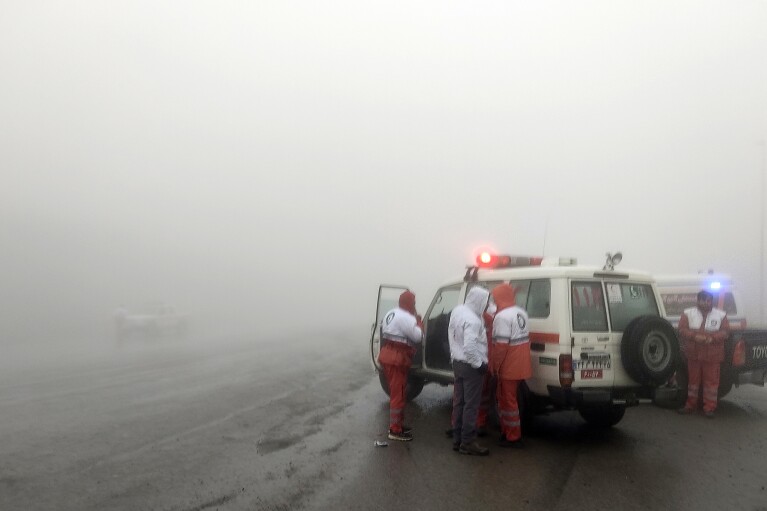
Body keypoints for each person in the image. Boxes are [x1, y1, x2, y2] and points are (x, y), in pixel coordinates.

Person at [449, 286, 490, 455]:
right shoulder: (473, 320)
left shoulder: (458, 311)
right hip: (470, 366)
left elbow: (453, 335)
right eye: (486, 302)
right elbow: (470, 346)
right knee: (471, 406)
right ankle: (467, 442)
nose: (487, 306)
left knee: (459, 402)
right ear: (480, 301)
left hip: (457, 363)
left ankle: (457, 439)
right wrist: (479, 364)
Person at [490, 284, 532, 447]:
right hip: (522, 363)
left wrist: (495, 365)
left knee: (508, 402)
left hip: (509, 365)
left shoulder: (501, 317)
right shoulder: (521, 312)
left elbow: (501, 345)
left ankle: (513, 437)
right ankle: (507, 431)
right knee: (508, 400)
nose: (493, 300)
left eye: (495, 297)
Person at [378, 290, 424, 441]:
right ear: (409, 303)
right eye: (414, 303)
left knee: (399, 392)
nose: (415, 306)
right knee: (398, 394)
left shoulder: (390, 313)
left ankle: (398, 425)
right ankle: (395, 430)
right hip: (397, 358)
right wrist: (418, 322)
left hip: (388, 355)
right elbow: (418, 336)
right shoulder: (406, 317)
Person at [677, 289, 730, 418]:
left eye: (708, 300)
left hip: (712, 356)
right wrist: (695, 337)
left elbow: (725, 332)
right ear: (698, 300)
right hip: (693, 354)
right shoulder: (687, 313)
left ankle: (709, 408)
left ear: (711, 301)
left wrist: (712, 338)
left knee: (711, 384)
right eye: (703, 300)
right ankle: (690, 406)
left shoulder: (721, 315)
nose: (706, 303)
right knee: (693, 382)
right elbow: (681, 330)